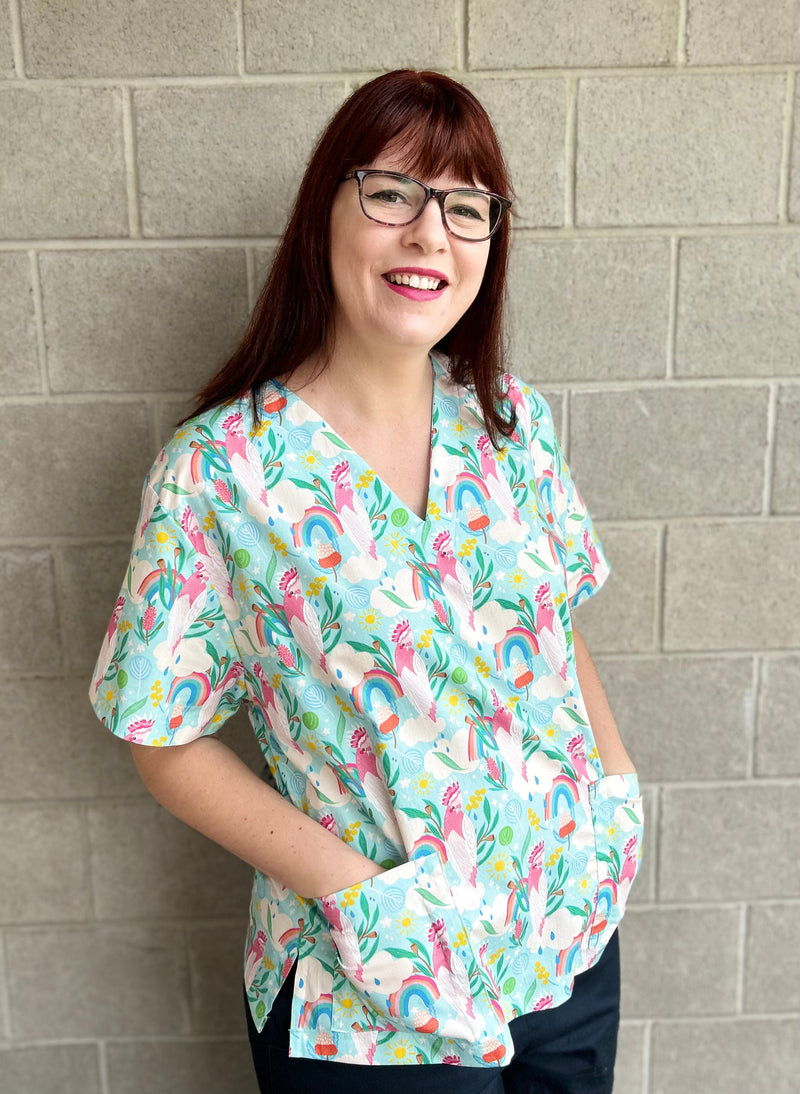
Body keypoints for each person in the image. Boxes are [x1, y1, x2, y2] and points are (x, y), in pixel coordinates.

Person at [89, 69, 643, 1094]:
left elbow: (557, 625)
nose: (430, 233)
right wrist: (362, 899)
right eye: (393, 192)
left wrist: (612, 796)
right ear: (324, 212)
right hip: (369, 992)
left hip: (561, 930)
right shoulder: (223, 470)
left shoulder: (510, 424)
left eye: (465, 205)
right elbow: (159, 736)